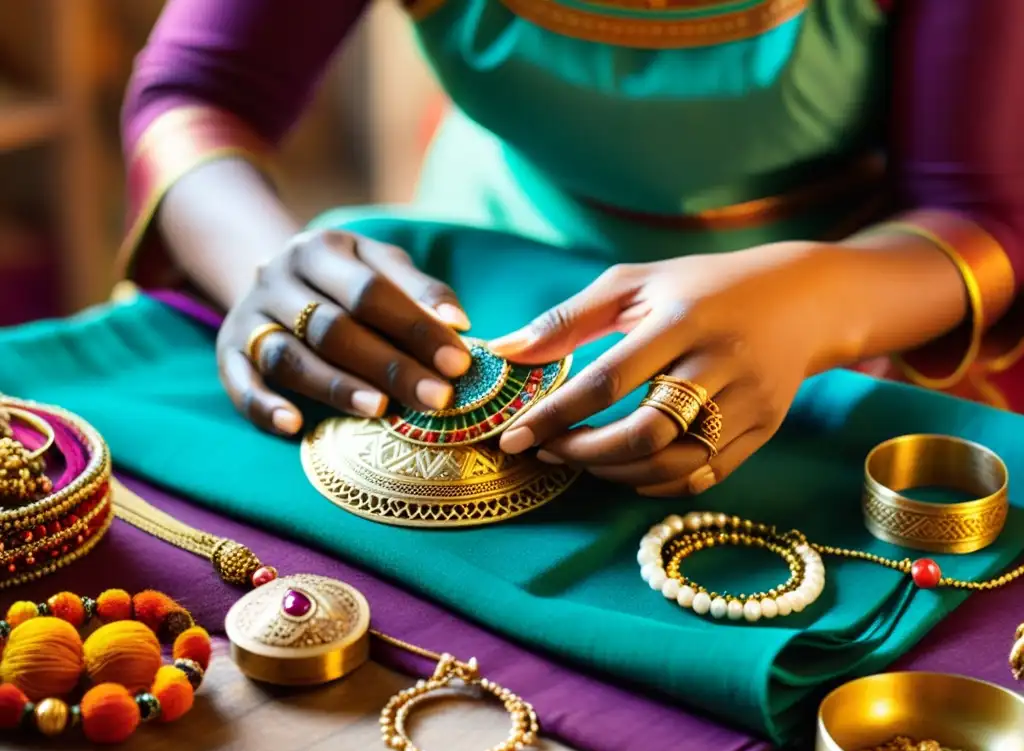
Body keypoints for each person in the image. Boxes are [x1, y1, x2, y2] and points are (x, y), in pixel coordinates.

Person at [120, 0, 1023, 499]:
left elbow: (982, 213)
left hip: (845, 319)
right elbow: (199, 94)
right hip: (482, 287)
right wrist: (264, 263)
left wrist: (812, 302)